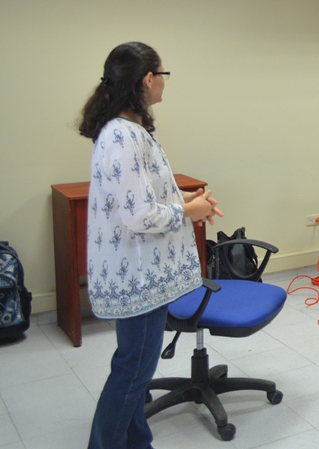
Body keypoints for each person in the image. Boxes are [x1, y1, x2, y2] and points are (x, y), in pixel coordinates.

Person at [80, 42, 223, 449]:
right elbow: (138, 216)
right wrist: (187, 211)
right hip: (137, 278)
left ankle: (137, 443)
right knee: (132, 374)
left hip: (141, 273)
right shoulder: (123, 137)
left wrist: (191, 204)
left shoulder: (129, 130)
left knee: (133, 369)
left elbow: (148, 198)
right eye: (163, 74)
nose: (164, 83)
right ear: (148, 79)